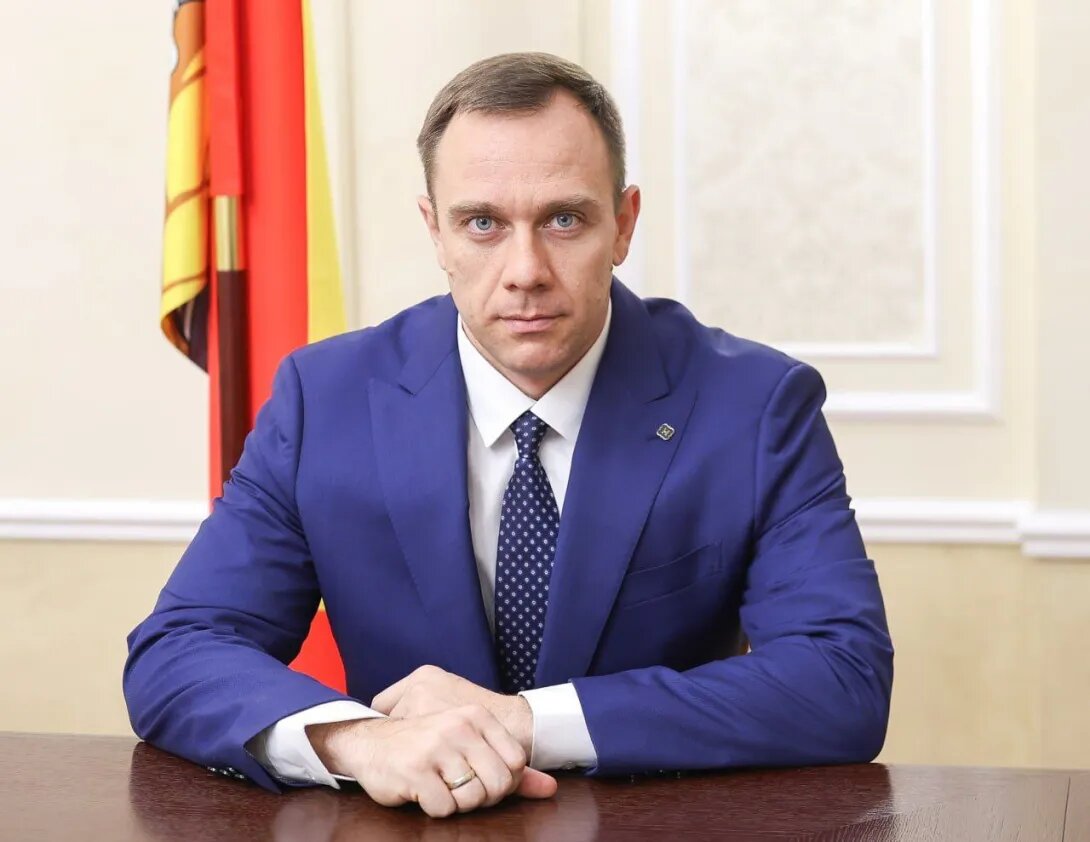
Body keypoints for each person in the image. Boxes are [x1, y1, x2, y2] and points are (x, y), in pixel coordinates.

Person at [124, 52, 894, 819]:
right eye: (483, 224)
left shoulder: (755, 407)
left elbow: (842, 678)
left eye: (564, 220)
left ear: (623, 225)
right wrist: (358, 742)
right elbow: (179, 650)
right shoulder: (325, 400)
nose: (526, 270)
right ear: (436, 231)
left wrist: (525, 722)